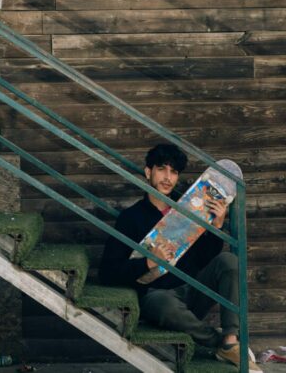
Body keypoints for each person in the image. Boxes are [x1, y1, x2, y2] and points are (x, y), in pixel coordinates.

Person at [99, 143, 261, 371]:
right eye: (161, 169)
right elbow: (107, 272)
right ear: (148, 172)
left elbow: (203, 258)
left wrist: (216, 226)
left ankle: (231, 338)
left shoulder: (188, 208)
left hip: (191, 291)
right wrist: (147, 261)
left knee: (229, 261)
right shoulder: (131, 218)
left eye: (173, 172)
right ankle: (221, 343)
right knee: (160, 302)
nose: (168, 177)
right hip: (160, 299)